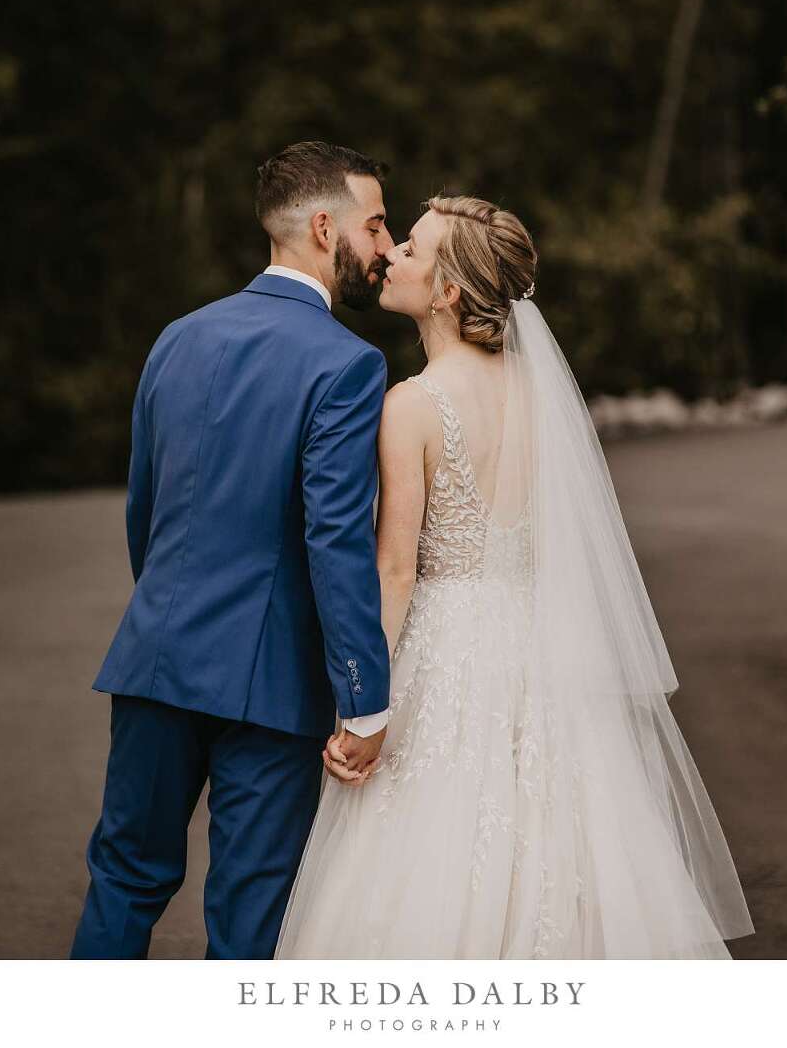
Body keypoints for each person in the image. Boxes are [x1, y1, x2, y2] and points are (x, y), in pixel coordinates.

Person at [275, 195, 755, 957]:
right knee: (559, 838)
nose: (391, 253)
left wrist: (364, 710)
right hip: (540, 649)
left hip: (445, 653)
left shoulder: (412, 406)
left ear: (447, 291)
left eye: (411, 249)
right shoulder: (542, 399)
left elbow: (395, 570)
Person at [70, 141, 397, 958]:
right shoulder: (348, 364)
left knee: (123, 878)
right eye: (376, 225)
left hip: (156, 658)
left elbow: (145, 509)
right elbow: (335, 539)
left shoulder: (178, 338)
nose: (386, 247)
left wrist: (170, 617)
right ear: (324, 229)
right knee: (249, 922)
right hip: (270, 684)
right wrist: (364, 699)